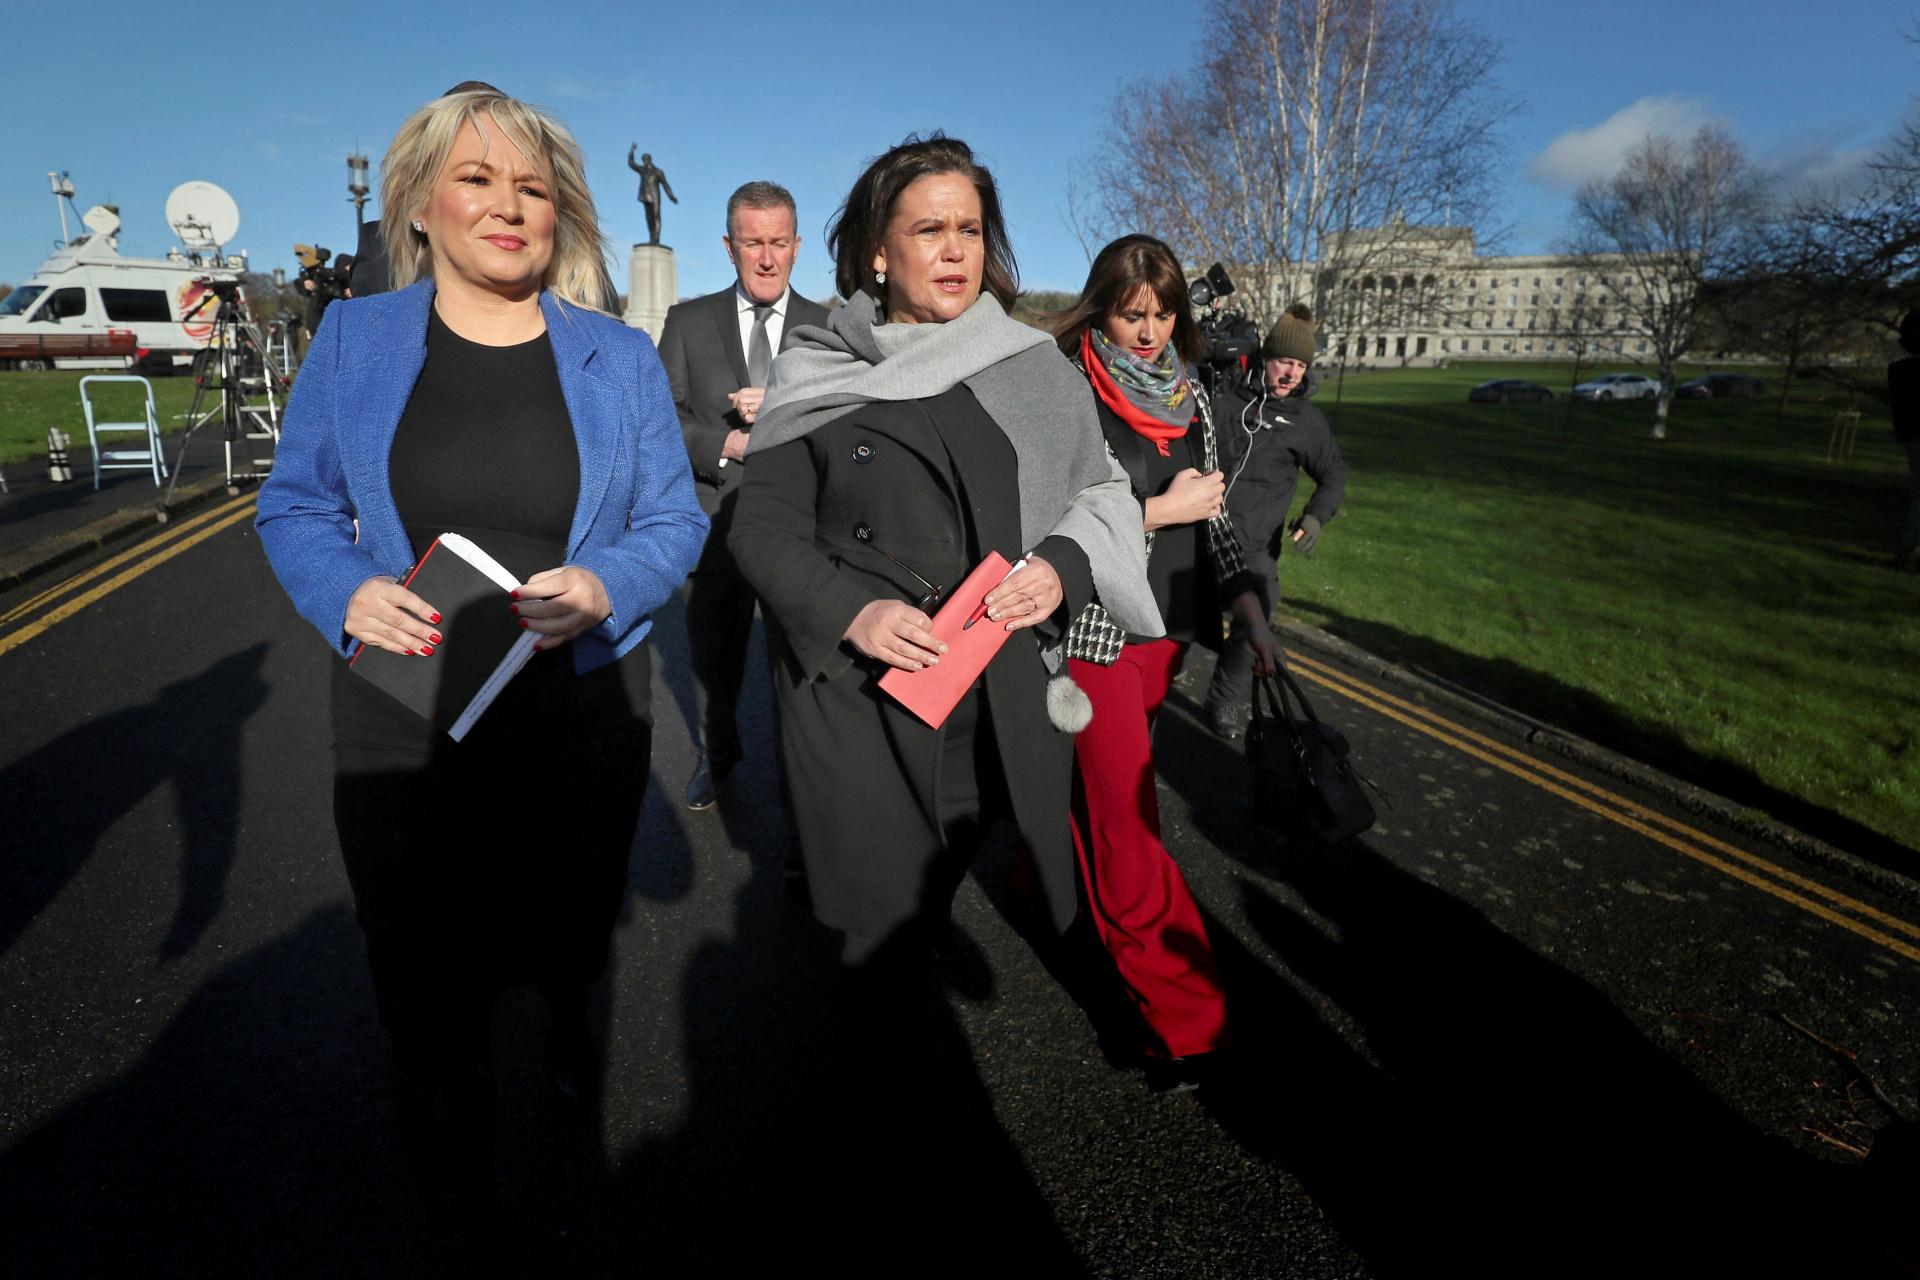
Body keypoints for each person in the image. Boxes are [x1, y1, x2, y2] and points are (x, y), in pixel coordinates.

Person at [254, 87, 707, 1237]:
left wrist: (611, 585)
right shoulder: (354, 339)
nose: (509, 206)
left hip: (585, 689)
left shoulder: (618, 354)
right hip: (402, 688)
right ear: (421, 203)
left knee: (571, 917)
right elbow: (295, 502)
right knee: (416, 961)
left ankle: (565, 1007)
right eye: (477, 178)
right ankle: (454, 1183)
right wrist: (346, 590)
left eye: (534, 187)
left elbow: (673, 519)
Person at [728, 133, 1160, 977]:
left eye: (969, 228)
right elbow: (762, 530)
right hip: (858, 693)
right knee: (876, 931)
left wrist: (1062, 568)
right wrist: (854, 612)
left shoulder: (1030, 363)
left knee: (948, 878)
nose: (955, 249)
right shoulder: (818, 366)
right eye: (928, 230)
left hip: (993, 688)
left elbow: (1101, 493)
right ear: (879, 253)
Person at [1052, 235, 1282, 1085]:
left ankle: (1060, 900)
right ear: (1101, 306)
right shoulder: (1068, 388)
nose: (1148, 331)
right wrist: (1156, 511)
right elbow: (1050, 524)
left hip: (1171, 633)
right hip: (1098, 635)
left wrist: (1250, 613)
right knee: (1127, 821)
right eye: (1131, 313)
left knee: (1097, 801)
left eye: (1163, 313)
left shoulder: (1191, 394)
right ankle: (1189, 1016)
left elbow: (1216, 519)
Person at [656, 182, 830, 810]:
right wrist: (730, 446)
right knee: (713, 658)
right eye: (752, 243)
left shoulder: (827, 328)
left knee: (801, 665)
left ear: (796, 246)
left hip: (803, 530)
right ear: (729, 247)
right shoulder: (687, 320)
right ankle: (716, 755)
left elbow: (849, 423)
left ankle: (803, 785)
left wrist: (781, 411)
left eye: (778, 243)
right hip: (712, 523)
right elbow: (660, 420)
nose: (765, 257)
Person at [1204, 303, 1349, 738]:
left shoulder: (1307, 422)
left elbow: (1333, 474)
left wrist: (1317, 516)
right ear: (1267, 357)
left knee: (1255, 627)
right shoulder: (1227, 401)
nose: (1291, 373)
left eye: (1301, 365)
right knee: (1170, 621)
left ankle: (1225, 702)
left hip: (1254, 549)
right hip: (1199, 534)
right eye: (1285, 361)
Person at [1889, 308, 1920, 571]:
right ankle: (1909, 552)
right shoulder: (1905, 371)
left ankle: (1909, 551)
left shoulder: (1899, 370)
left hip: (1911, 438)